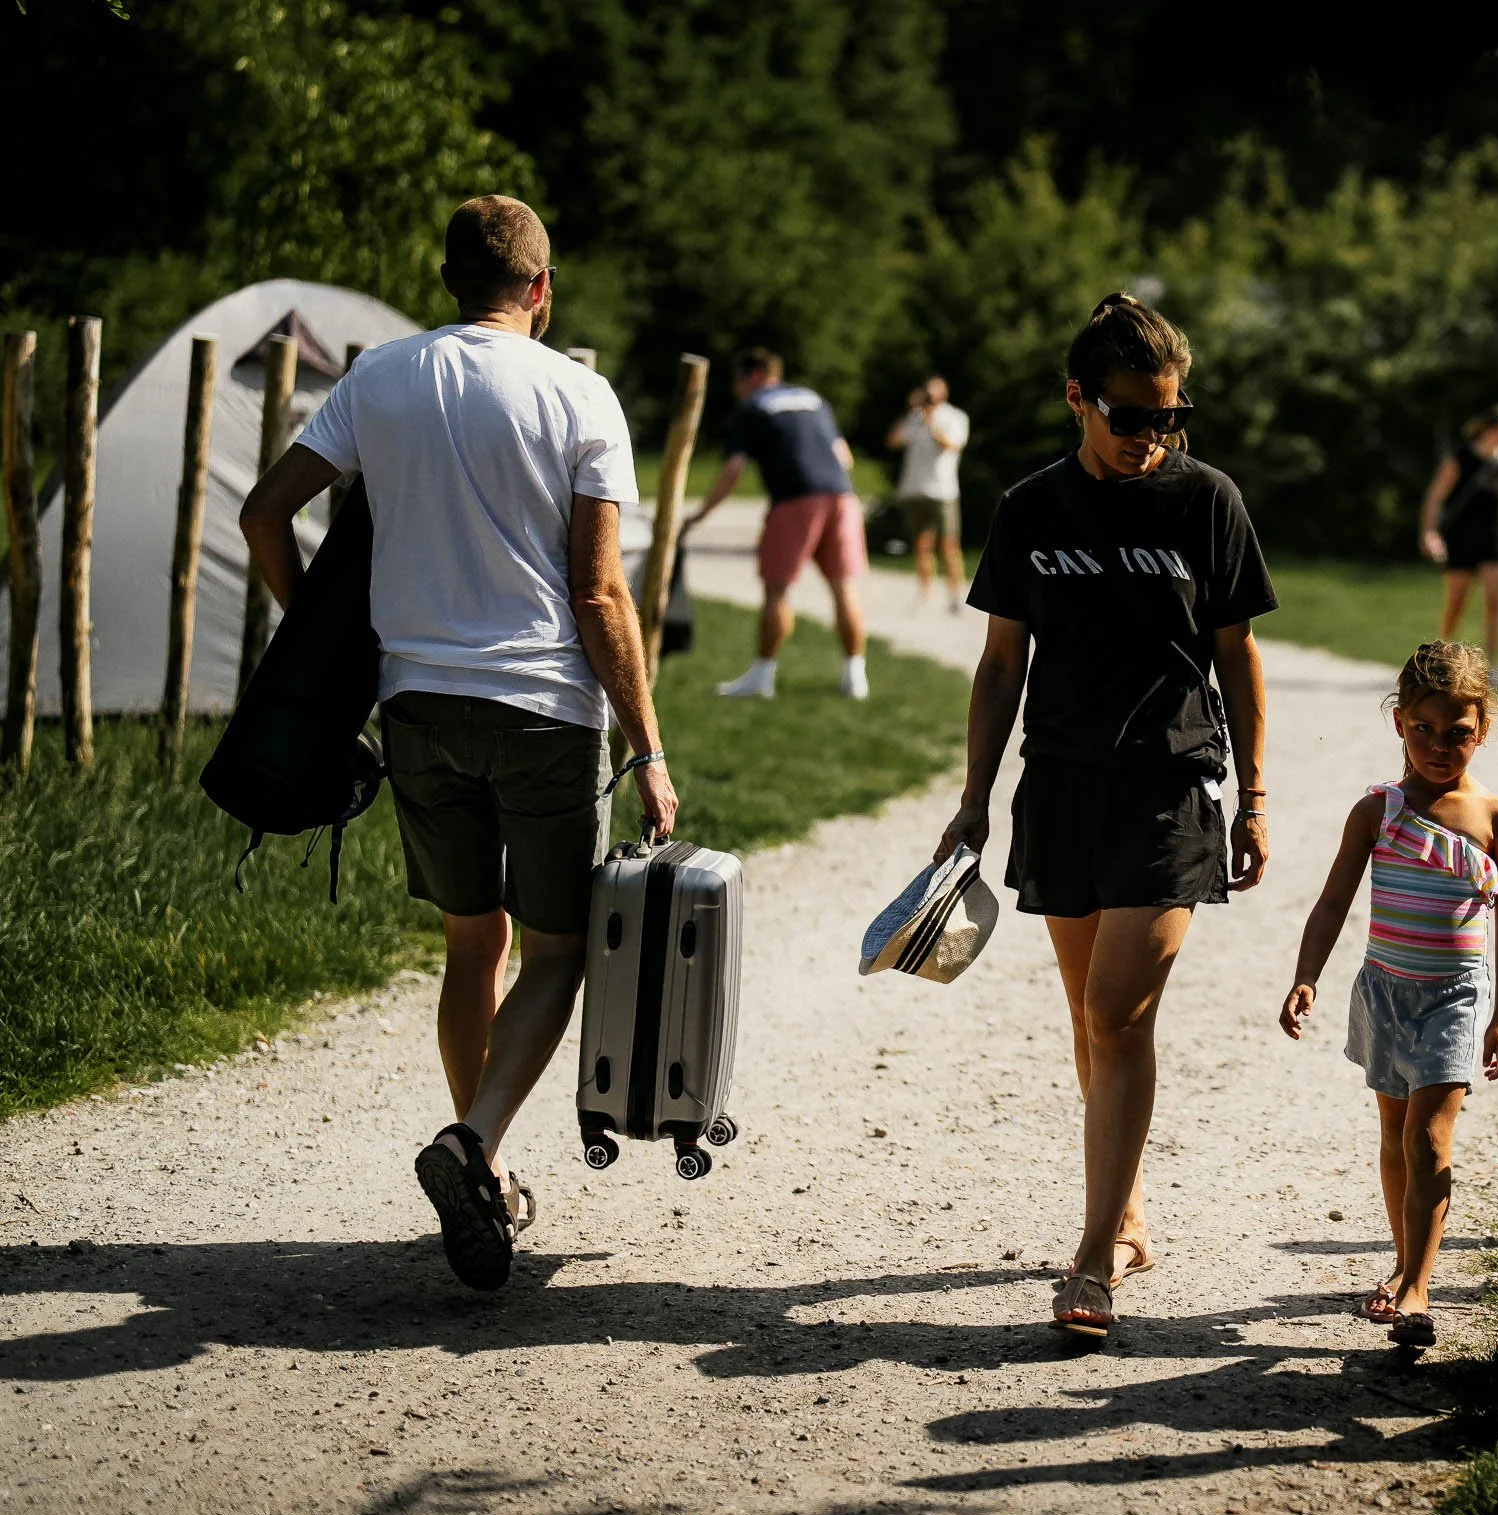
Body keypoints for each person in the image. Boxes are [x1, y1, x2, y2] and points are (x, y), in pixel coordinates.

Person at [237, 195, 678, 1292]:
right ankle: (473, 1145)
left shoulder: (381, 376)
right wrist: (650, 743)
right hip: (543, 712)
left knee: (469, 946)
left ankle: (481, 1152)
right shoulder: (579, 393)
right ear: (542, 285)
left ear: (448, 281)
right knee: (559, 952)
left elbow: (263, 513)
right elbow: (598, 591)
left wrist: (323, 641)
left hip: (416, 706)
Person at [935, 292, 1273, 1337]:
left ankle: (1089, 1261)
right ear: (1077, 399)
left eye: (1169, 418)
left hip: (1168, 783)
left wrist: (1253, 794)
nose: (1151, 439)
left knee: (1120, 1013)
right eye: (1131, 417)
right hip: (1063, 783)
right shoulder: (1032, 508)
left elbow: (1236, 655)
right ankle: (1123, 1210)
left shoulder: (1205, 501)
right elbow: (1001, 665)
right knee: (1089, 1020)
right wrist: (972, 799)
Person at [1278, 641, 1498, 1350]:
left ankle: (1419, 1287)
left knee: (1429, 1136)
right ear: (1398, 723)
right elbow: (1332, 903)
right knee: (1395, 1137)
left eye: (1459, 733)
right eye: (1424, 729)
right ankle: (1403, 1261)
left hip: (1455, 996)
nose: (1440, 746)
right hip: (1385, 991)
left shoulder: (1496, 821)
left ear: (1483, 730)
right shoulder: (1377, 811)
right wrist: (1307, 974)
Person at [691, 348, 871, 701]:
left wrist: (700, 515)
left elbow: (733, 471)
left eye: (738, 380)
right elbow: (843, 455)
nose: (736, 389)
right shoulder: (813, 399)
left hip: (795, 499)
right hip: (842, 496)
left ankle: (762, 675)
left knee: (778, 590)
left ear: (754, 375)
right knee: (843, 587)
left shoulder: (753, 407)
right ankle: (855, 676)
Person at [1418, 405, 1498, 680]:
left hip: (1496, 541)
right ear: (1492, 429)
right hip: (1462, 539)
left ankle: (1491, 668)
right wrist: (1429, 532)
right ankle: (1439, 656)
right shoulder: (1460, 460)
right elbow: (1435, 498)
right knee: (1457, 601)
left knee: (1494, 602)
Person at [886, 375, 971, 605]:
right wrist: (911, 412)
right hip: (914, 489)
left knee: (949, 545)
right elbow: (893, 441)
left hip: (943, 490)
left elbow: (951, 445)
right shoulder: (913, 418)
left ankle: (955, 595)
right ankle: (924, 593)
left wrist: (931, 422)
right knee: (921, 545)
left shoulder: (954, 417)